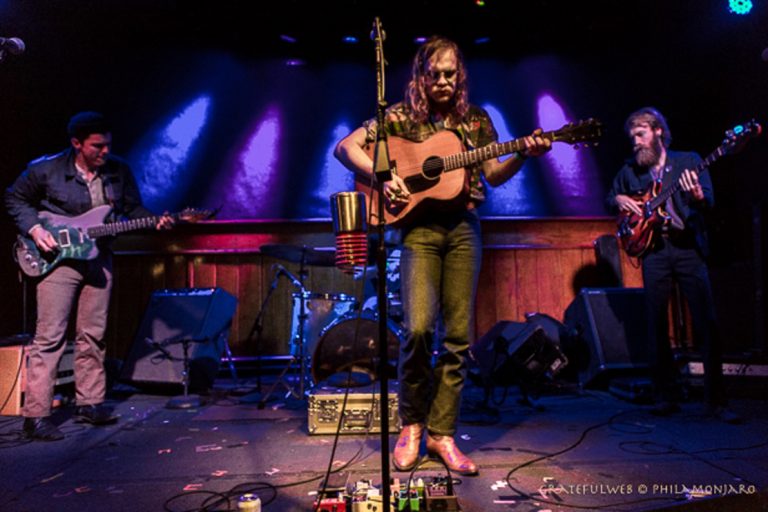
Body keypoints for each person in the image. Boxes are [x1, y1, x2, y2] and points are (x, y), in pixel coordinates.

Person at [335, 36, 551, 475]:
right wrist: (383, 174)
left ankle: (442, 432)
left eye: (450, 73)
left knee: (457, 339)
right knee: (416, 330)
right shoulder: (397, 117)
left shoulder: (475, 121)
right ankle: (412, 426)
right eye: (434, 73)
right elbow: (346, 147)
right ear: (421, 76)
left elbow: (494, 173)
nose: (443, 81)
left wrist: (523, 154)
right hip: (417, 231)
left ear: (461, 75)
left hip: (464, 231)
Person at [5, 111, 175, 441]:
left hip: (99, 257)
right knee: (50, 335)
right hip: (58, 260)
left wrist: (156, 221)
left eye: (108, 145)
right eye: (97, 146)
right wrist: (36, 229)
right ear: (76, 143)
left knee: (93, 333)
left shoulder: (118, 170)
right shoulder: (46, 169)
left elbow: (131, 209)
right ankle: (37, 415)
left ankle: (90, 402)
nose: (104, 151)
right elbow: (14, 197)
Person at [607, 107, 739, 423]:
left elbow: (708, 201)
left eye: (640, 135)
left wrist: (695, 197)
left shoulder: (690, 161)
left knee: (706, 323)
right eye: (632, 137)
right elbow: (610, 197)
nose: (635, 142)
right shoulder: (631, 172)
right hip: (655, 251)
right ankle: (664, 395)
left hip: (688, 248)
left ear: (658, 133)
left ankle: (717, 400)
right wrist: (618, 201)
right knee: (655, 324)